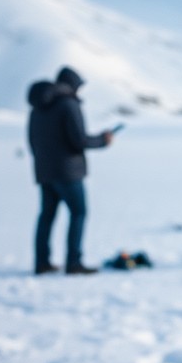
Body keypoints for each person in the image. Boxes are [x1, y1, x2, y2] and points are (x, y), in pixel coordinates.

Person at [26, 66, 114, 275]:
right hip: (68, 172)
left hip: (44, 171)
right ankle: (74, 262)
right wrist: (103, 140)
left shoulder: (38, 106)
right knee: (79, 212)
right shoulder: (68, 104)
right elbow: (80, 139)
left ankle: (42, 262)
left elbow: (32, 141)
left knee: (46, 215)